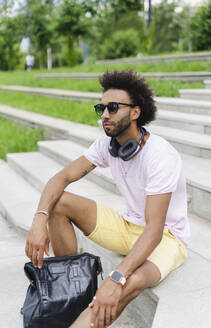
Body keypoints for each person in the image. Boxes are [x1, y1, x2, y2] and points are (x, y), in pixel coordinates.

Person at [25, 70, 190, 328]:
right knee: (58, 202)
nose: (104, 115)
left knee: (131, 281)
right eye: (101, 108)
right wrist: (39, 219)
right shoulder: (107, 144)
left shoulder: (160, 156)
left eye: (112, 108)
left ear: (135, 112)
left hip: (167, 239)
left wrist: (115, 279)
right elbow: (60, 179)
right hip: (128, 227)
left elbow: (155, 230)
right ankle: (71, 289)